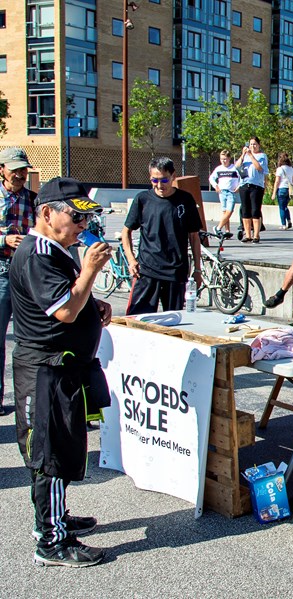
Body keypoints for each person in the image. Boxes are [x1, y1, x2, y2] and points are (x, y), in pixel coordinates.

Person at [11, 177, 113, 567]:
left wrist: (94, 303)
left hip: (64, 367)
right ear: (47, 213)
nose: (82, 226)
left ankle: (57, 516)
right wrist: (88, 274)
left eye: (85, 218)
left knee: (64, 448)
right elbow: (64, 311)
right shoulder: (38, 253)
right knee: (48, 456)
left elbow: (66, 301)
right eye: (75, 217)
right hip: (45, 370)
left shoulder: (56, 248)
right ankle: (51, 540)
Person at [121, 157, 204, 315]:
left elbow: (194, 236)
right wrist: (131, 260)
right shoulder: (142, 199)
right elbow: (126, 232)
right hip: (146, 270)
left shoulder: (185, 200)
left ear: (173, 176)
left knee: (174, 321)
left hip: (176, 272)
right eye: (154, 180)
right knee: (137, 318)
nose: (159, 185)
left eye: (164, 180)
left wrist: (198, 269)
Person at [0, 146, 37, 417]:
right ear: (2, 170)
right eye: (15, 169)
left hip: (27, 274)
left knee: (34, 339)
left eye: (23, 169)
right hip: (2, 272)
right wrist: (4, 239)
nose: (20, 174)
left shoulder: (34, 200)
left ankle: (36, 400)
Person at [237, 136, 268, 243]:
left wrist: (251, 155)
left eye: (254, 144)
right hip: (244, 185)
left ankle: (256, 235)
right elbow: (237, 166)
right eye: (250, 144)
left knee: (255, 210)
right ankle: (248, 235)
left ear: (258, 145)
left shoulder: (262, 156)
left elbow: (260, 168)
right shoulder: (245, 157)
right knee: (245, 211)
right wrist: (243, 154)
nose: (252, 146)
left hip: (256, 186)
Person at [208, 150, 241, 238]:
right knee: (224, 212)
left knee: (229, 211)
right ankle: (227, 231)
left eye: (225, 159)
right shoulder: (218, 169)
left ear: (229, 158)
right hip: (222, 192)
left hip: (231, 192)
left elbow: (242, 178)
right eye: (222, 159)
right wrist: (216, 186)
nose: (223, 161)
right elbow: (211, 178)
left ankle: (218, 228)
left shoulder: (234, 168)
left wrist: (238, 187)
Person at [272, 152, 293, 230]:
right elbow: (292, 180)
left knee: (281, 207)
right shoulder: (291, 169)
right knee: (285, 206)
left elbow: (277, 181)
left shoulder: (280, 169)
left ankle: (283, 224)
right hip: (289, 189)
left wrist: (274, 193)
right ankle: (289, 220)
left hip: (282, 189)